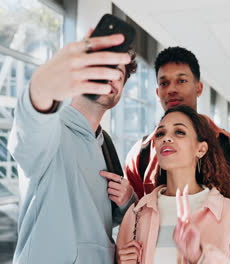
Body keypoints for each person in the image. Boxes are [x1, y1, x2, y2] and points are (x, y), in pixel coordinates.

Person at [8, 30, 138, 263]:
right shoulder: (51, 130)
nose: (111, 77)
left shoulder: (104, 143)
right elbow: (30, 124)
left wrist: (128, 199)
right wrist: (45, 85)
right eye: (102, 68)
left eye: (118, 73)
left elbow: (101, 219)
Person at [117, 105, 230, 264]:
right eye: (160, 133)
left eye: (179, 132)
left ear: (201, 149)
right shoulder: (137, 213)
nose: (166, 138)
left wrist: (200, 256)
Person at [125, 47, 230, 199]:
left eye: (181, 81)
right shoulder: (140, 154)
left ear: (198, 88)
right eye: (164, 83)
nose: (171, 89)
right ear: (157, 93)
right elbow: (137, 212)